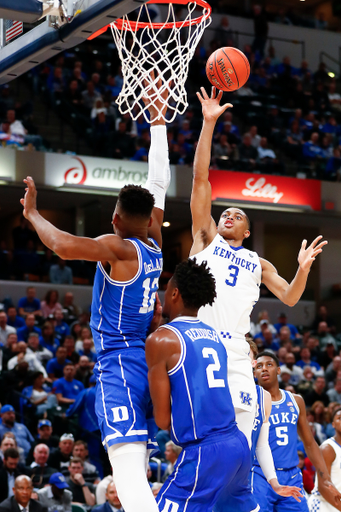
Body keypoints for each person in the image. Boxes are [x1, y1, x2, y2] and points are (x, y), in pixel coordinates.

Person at [189, 86, 327, 447]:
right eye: (226, 213)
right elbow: (200, 179)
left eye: (238, 215)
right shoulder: (205, 237)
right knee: (199, 431)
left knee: (242, 435)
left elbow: (292, 298)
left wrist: (303, 269)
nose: (229, 215)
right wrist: (208, 124)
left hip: (236, 349)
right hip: (199, 337)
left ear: (247, 231)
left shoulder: (257, 262)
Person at [145, 258, 258, 512]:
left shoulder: (161, 340)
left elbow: (163, 420)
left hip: (205, 452)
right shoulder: (213, 335)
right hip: (237, 444)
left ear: (174, 293)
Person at [252, 351, 341, 512]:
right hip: (260, 475)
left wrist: (325, 477)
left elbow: (309, 443)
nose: (264, 369)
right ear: (254, 373)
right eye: (259, 366)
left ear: (279, 370)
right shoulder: (251, 401)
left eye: (269, 365)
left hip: (291, 476)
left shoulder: (295, 400)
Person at [308, 407, 341, 512]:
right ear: (333, 424)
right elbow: (323, 487)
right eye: (339, 418)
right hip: (323, 505)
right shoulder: (328, 448)